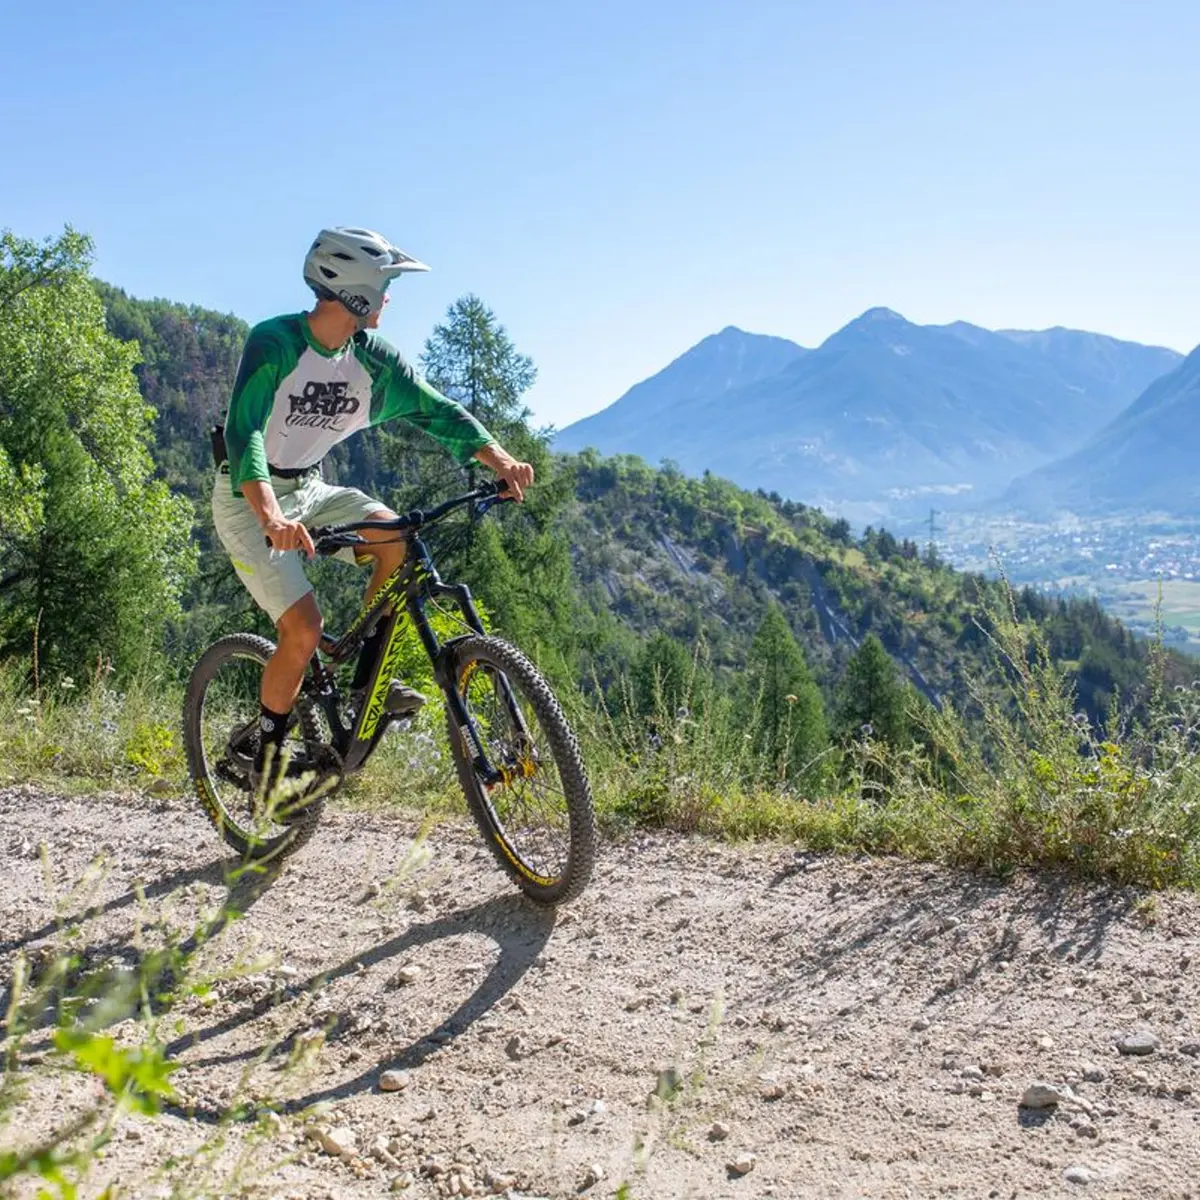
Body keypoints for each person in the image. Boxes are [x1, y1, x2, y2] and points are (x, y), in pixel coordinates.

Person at [212, 226, 534, 792]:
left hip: (311, 490)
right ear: (356, 291)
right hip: (248, 500)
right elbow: (245, 436)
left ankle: (365, 688)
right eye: (384, 286)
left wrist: (499, 459)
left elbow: (438, 412)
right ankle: (265, 747)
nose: (389, 298)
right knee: (303, 629)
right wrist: (270, 517)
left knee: (397, 540)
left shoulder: (371, 361)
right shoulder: (276, 344)